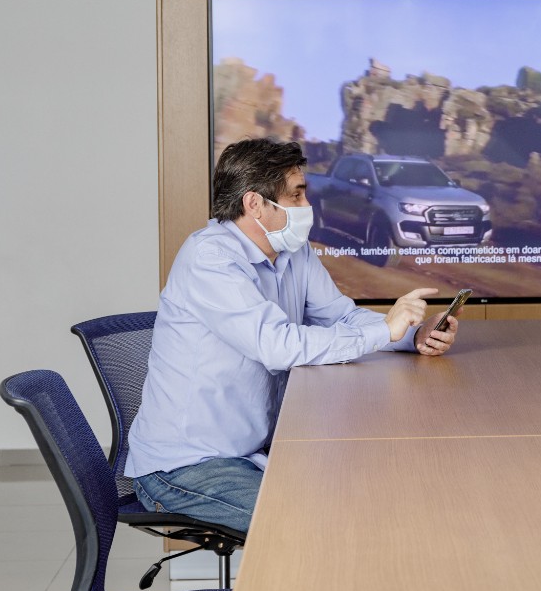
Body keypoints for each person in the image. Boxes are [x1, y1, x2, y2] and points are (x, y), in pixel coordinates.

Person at [125, 139, 459, 532]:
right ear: (254, 204)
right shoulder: (210, 259)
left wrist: (411, 335)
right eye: (296, 196)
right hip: (186, 467)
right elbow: (277, 345)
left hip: (253, 449)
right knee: (315, 526)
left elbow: (338, 316)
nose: (307, 208)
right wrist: (385, 329)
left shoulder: (292, 249)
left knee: (365, 493)